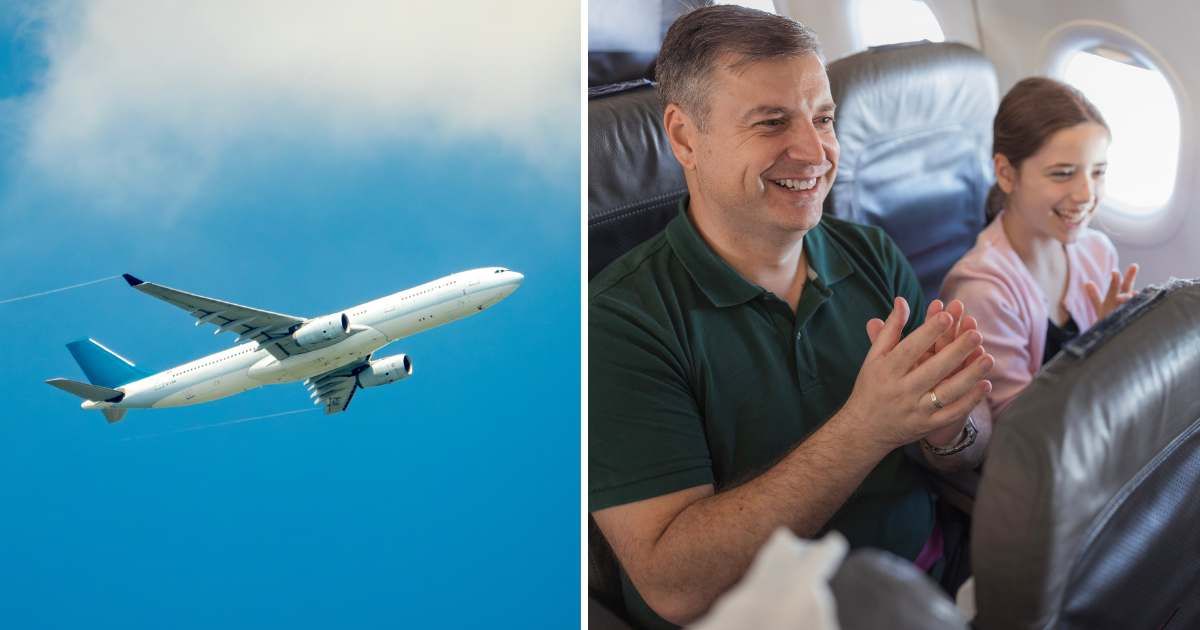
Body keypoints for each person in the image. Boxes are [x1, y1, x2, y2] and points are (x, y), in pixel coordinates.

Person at [588, 6, 994, 628]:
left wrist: (949, 431)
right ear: (684, 137)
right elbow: (673, 585)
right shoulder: (622, 321)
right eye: (772, 122)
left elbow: (963, 445)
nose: (815, 150)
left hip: (930, 581)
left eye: (824, 118)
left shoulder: (871, 253)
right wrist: (866, 427)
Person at [940, 77, 1138, 423]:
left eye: (1098, 172)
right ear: (1005, 173)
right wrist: (1103, 355)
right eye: (1062, 174)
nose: (1085, 194)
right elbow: (1018, 429)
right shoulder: (983, 292)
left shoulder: (1097, 252)